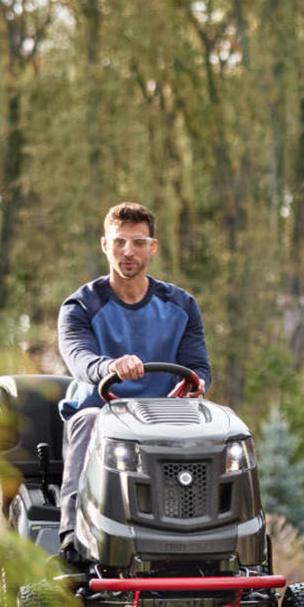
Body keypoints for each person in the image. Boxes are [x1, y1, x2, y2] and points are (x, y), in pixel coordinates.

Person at [56, 201, 211, 557]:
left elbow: (198, 367)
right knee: (88, 420)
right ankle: (73, 534)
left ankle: (207, 537)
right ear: (105, 245)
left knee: (218, 431)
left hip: (164, 417)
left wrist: (197, 383)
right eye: (120, 241)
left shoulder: (181, 305)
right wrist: (110, 368)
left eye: (138, 242)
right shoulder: (80, 307)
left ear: (152, 247)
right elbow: (81, 360)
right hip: (102, 413)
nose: (129, 251)